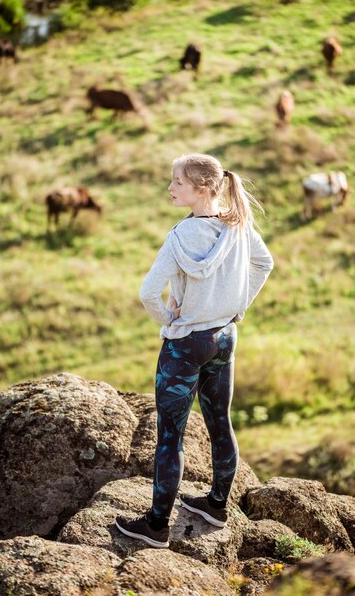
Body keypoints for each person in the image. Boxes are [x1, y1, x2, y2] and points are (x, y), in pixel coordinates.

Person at [115, 153, 273, 548]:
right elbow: (264, 263)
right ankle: (216, 507)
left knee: (171, 436)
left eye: (177, 182)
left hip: (185, 345)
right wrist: (238, 305)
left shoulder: (179, 237)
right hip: (224, 337)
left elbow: (148, 292)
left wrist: (167, 316)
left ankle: (155, 527)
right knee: (220, 421)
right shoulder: (238, 227)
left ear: (201, 189)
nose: (170, 187)